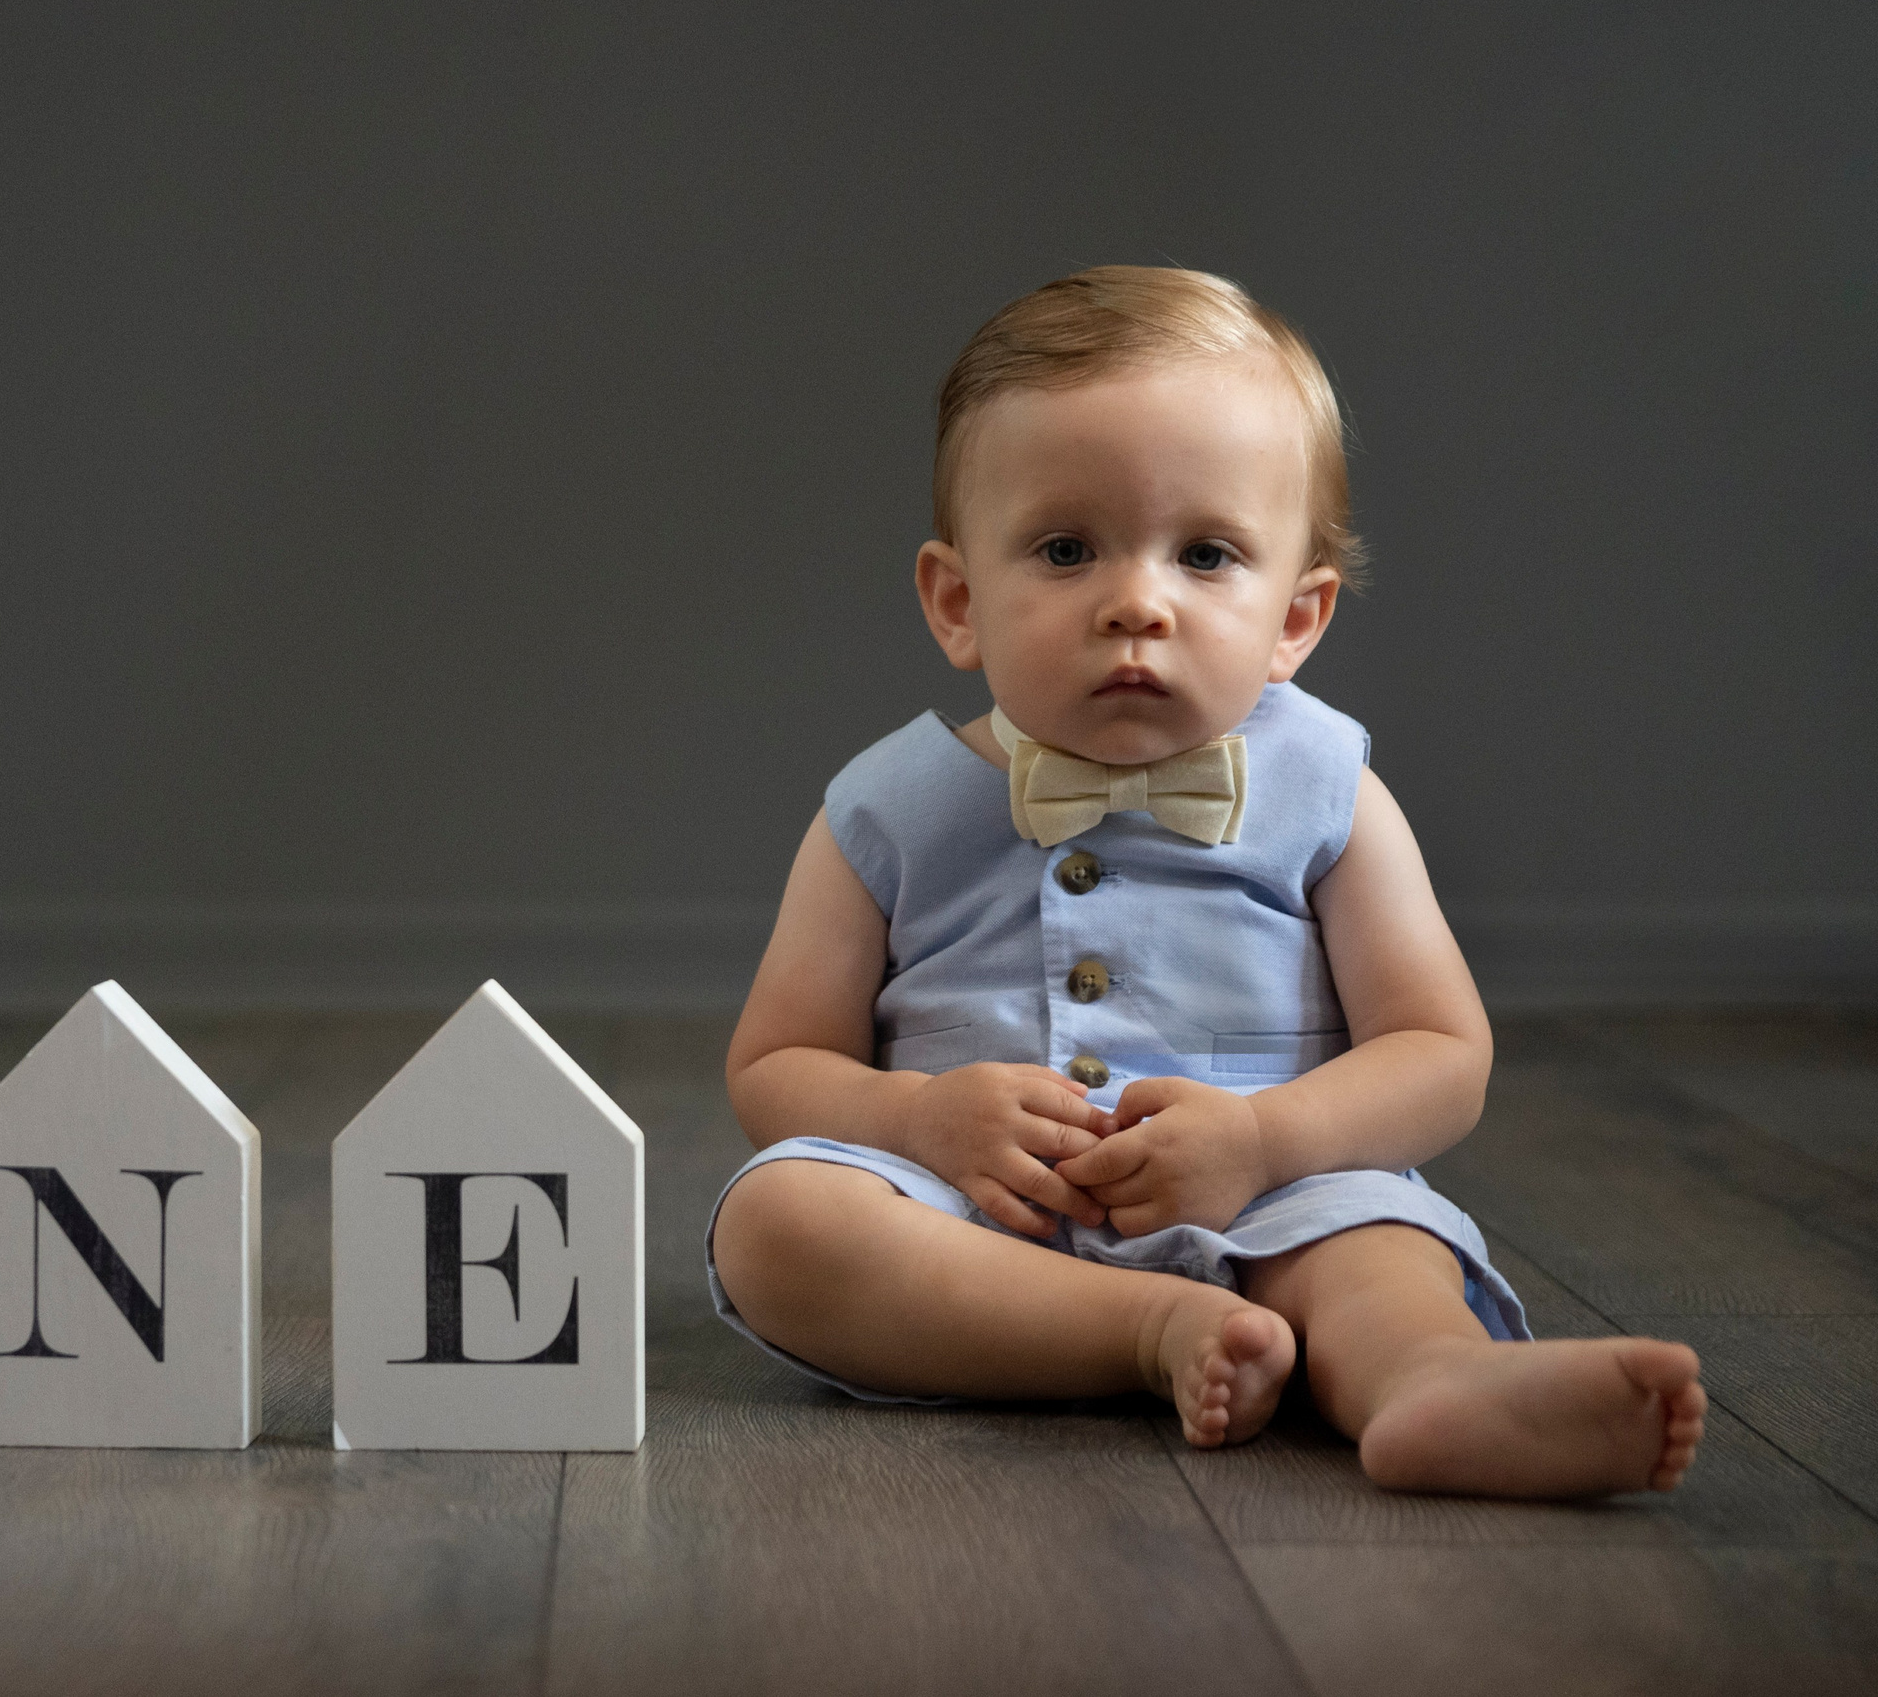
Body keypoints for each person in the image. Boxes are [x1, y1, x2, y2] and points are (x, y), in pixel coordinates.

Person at [707, 267, 1706, 1496]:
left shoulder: (1330, 794)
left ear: (1297, 618)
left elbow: (1442, 1052)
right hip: (976, 1224)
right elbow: (772, 1068)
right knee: (779, 1221)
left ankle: (1430, 1381)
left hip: (1273, 1203)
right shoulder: (887, 808)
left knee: (1371, 1242)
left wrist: (1264, 1137)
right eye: (1066, 549)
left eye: (1207, 554)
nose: (1137, 602)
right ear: (958, 603)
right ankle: (1141, 1334)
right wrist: (917, 1123)